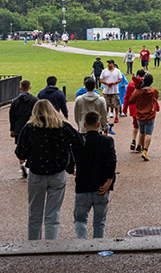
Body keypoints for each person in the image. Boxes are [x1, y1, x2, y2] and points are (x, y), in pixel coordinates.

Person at [15, 100, 84, 240]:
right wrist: (67, 151)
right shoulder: (62, 126)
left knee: (35, 214)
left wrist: (31, 152)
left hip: (36, 173)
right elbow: (80, 140)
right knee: (53, 215)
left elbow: (20, 153)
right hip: (57, 173)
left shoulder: (30, 128)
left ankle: (33, 246)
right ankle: (50, 246)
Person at [72, 111, 116, 239]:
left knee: (80, 220)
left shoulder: (79, 142)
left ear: (84, 124)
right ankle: (97, 246)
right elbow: (111, 161)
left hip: (83, 185)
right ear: (98, 124)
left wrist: (72, 169)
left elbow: (71, 158)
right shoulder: (107, 141)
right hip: (101, 185)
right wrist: (109, 180)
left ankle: (83, 241)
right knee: (99, 223)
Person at [9, 80, 37, 179]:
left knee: (20, 147)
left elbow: (12, 117)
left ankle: (22, 165)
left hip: (18, 127)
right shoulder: (35, 100)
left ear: (20, 88)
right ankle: (29, 166)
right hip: (31, 126)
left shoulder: (15, 101)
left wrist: (12, 129)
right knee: (31, 146)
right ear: (30, 87)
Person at [128, 73, 159, 161]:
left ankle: (141, 147)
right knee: (148, 134)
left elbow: (131, 101)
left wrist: (137, 89)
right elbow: (157, 97)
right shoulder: (154, 91)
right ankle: (145, 151)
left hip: (140, 115)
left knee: (141, 133)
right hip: (150, 115)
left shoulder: (138, 91)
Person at [123, 69, 144, 152]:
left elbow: (127, 96)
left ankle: (133, 140)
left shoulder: (131, 84)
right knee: (142, 128)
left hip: (133, 108)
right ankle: (139, 145)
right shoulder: (145, 84)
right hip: (142, 108)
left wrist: (125, 108)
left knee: (135, 126)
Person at [100, 59, 123, 125]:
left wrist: (115, 83)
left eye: (110, 63)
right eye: (108, 63)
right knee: (106, 106)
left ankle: (116, 117)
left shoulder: (117, 71)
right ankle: (106, 117)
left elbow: (120, 79)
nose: (109, 64)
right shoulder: (104, 71)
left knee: (116, 105)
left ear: (113, 64)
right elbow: (101, 79)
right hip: (106, 91)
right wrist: (106, 83)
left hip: (115, 91)